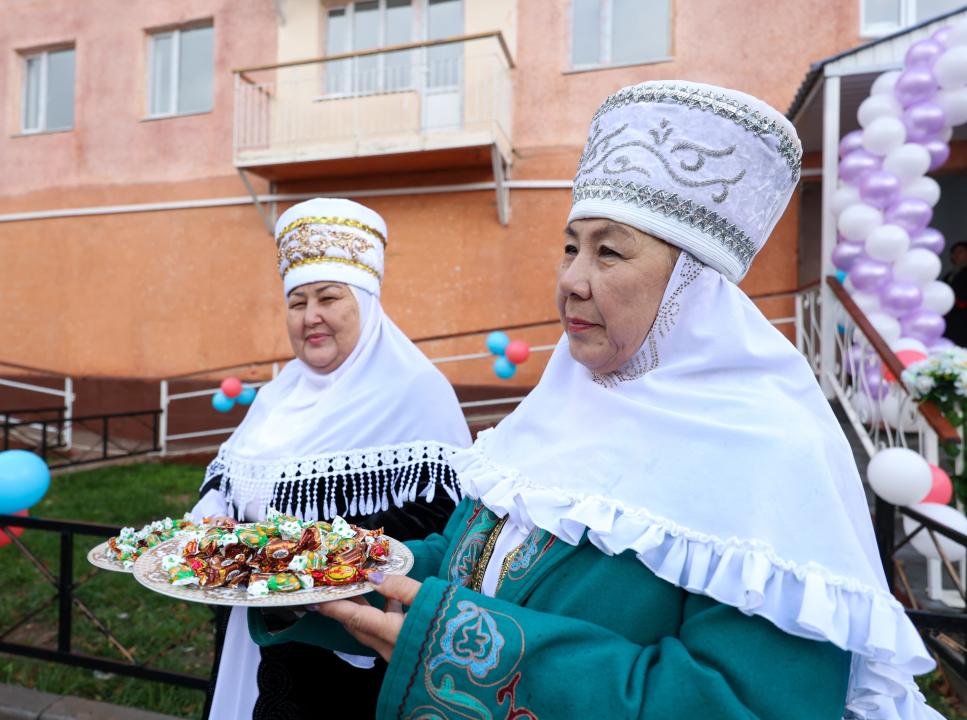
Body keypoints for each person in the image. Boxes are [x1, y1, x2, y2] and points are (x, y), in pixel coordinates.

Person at [251, 83, 941, 719]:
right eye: (569, 248)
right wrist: (309, 579)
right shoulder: (556, 412)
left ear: (692, 287)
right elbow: (467, 561)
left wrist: (453, 640)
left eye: (609, 253)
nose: (571, 282)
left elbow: (746, 704)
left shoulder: (773, 459)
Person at [193, 198, 471, 720]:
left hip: (344, 649)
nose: (310, 316)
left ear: (365, 303)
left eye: (328, 297)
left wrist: (285, 559)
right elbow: (222, 484)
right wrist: (212, 524)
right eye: (296, 302)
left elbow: (436, 526)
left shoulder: (417, 391)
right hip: (249, 633)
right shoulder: (277, 395)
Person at [943, 241, 967, 346]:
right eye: (953, 253)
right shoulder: (949, 275)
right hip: (949, 319)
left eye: (960, 252)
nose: (955, 255)